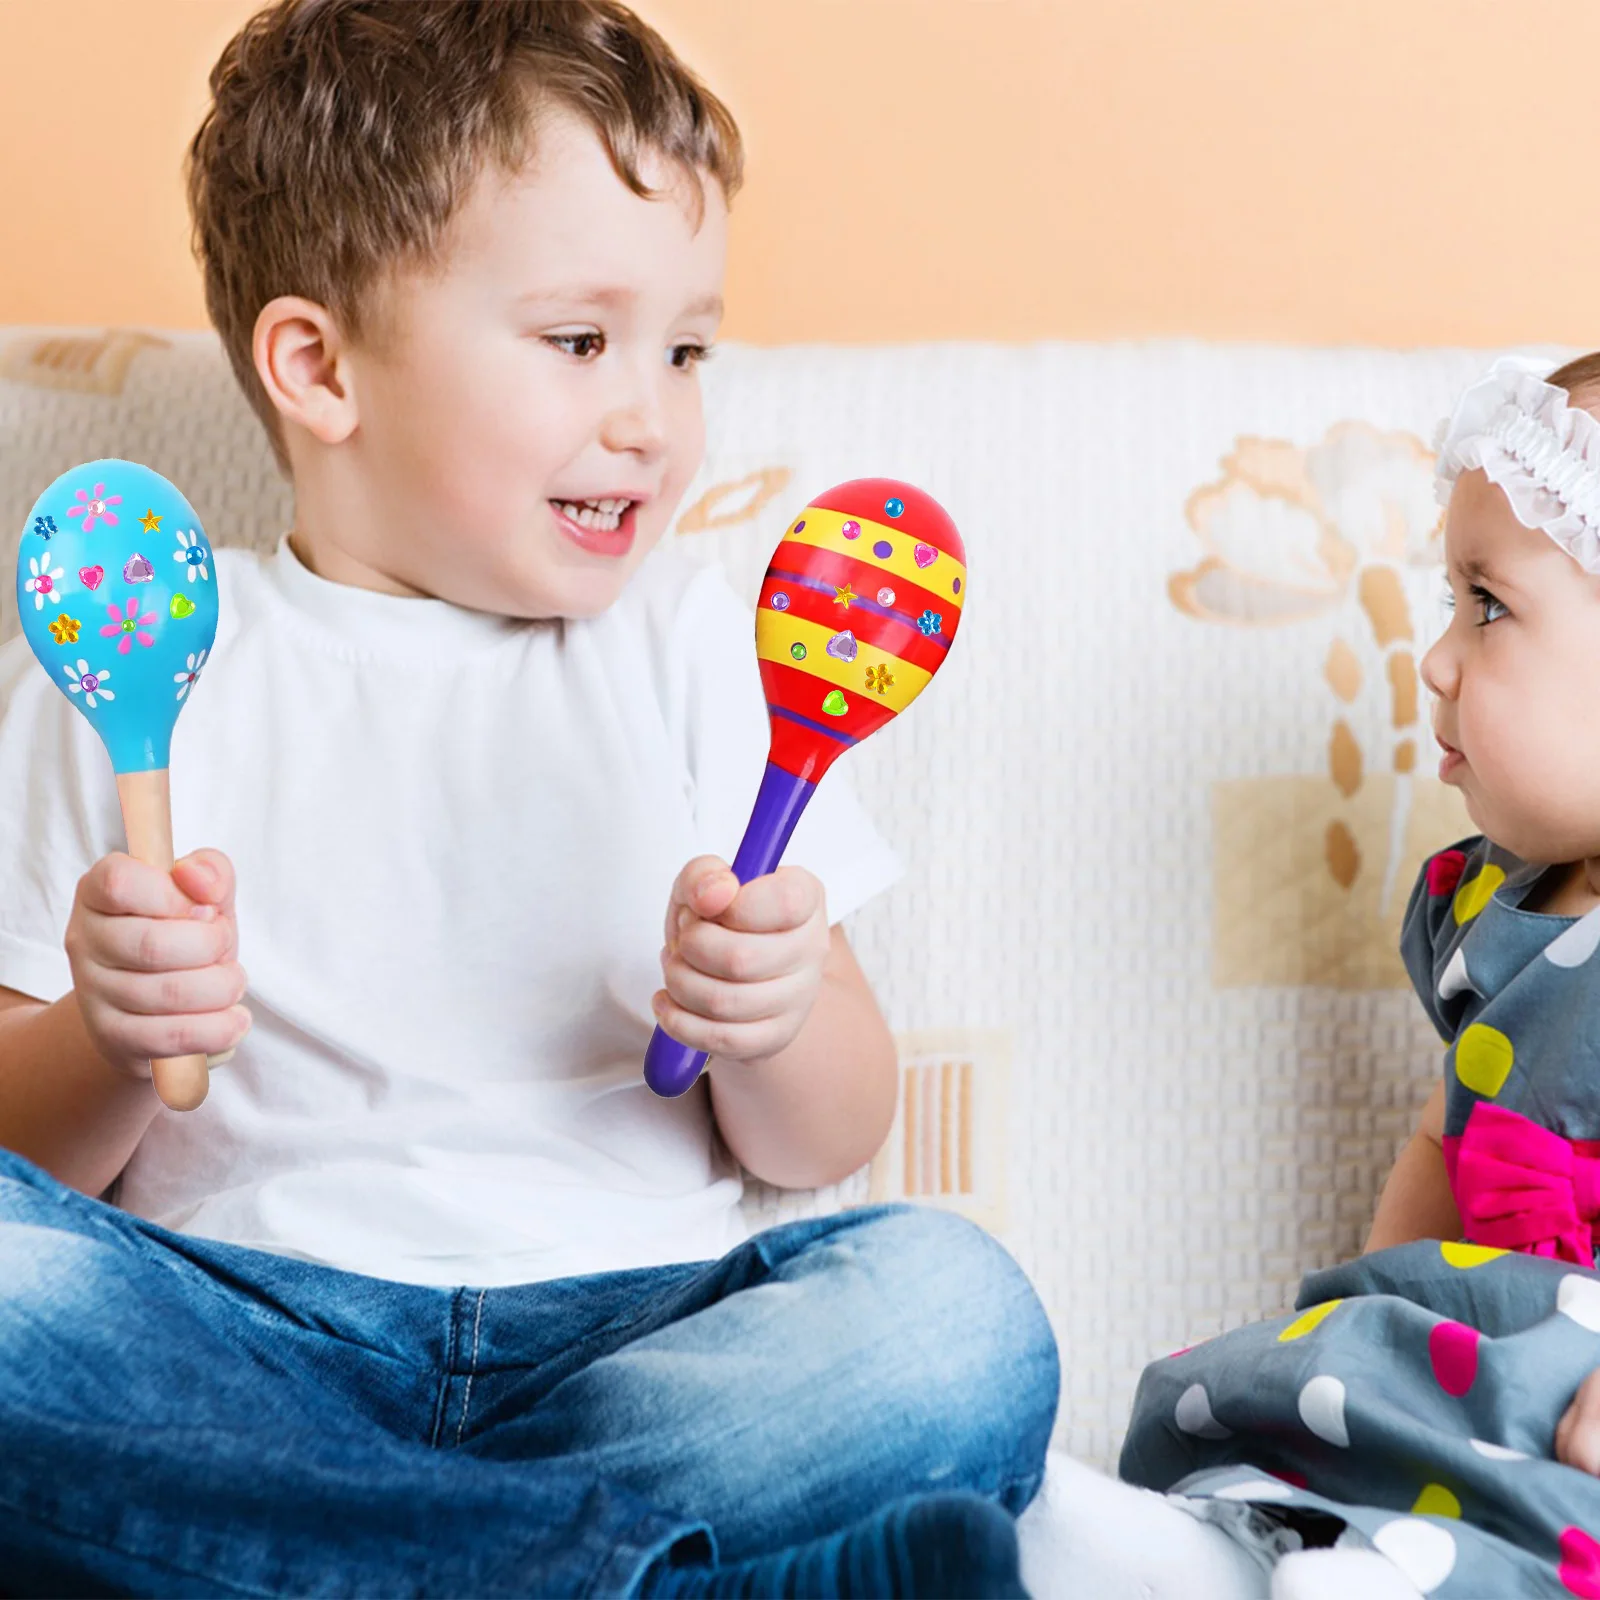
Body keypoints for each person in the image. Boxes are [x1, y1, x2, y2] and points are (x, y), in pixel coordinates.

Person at [0, 3, 1057, 1592]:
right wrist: (108, 1034)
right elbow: (27, 1162)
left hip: (635, 1345)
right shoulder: (134, 659)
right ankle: (628, 1578)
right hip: (243, 1340)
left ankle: (368, 1569)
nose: (654, 416)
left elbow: (826, 1136)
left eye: (686, 349)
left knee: (951, 1314)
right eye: (581, 342)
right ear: (320, 366)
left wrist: (773, 1017)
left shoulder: (705, 649)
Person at [1028, 353, 1600, 1599]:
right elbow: (1440, 1146)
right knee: (1318, 1406)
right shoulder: (1479, 908)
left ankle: (1398, 1576)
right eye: (1448, 604)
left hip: (1578, 1399)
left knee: (1543, 1510)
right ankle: (1191, 1552)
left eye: (1487, 608)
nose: (1435, 661)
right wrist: (1355, 1313)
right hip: (1469, 1344)